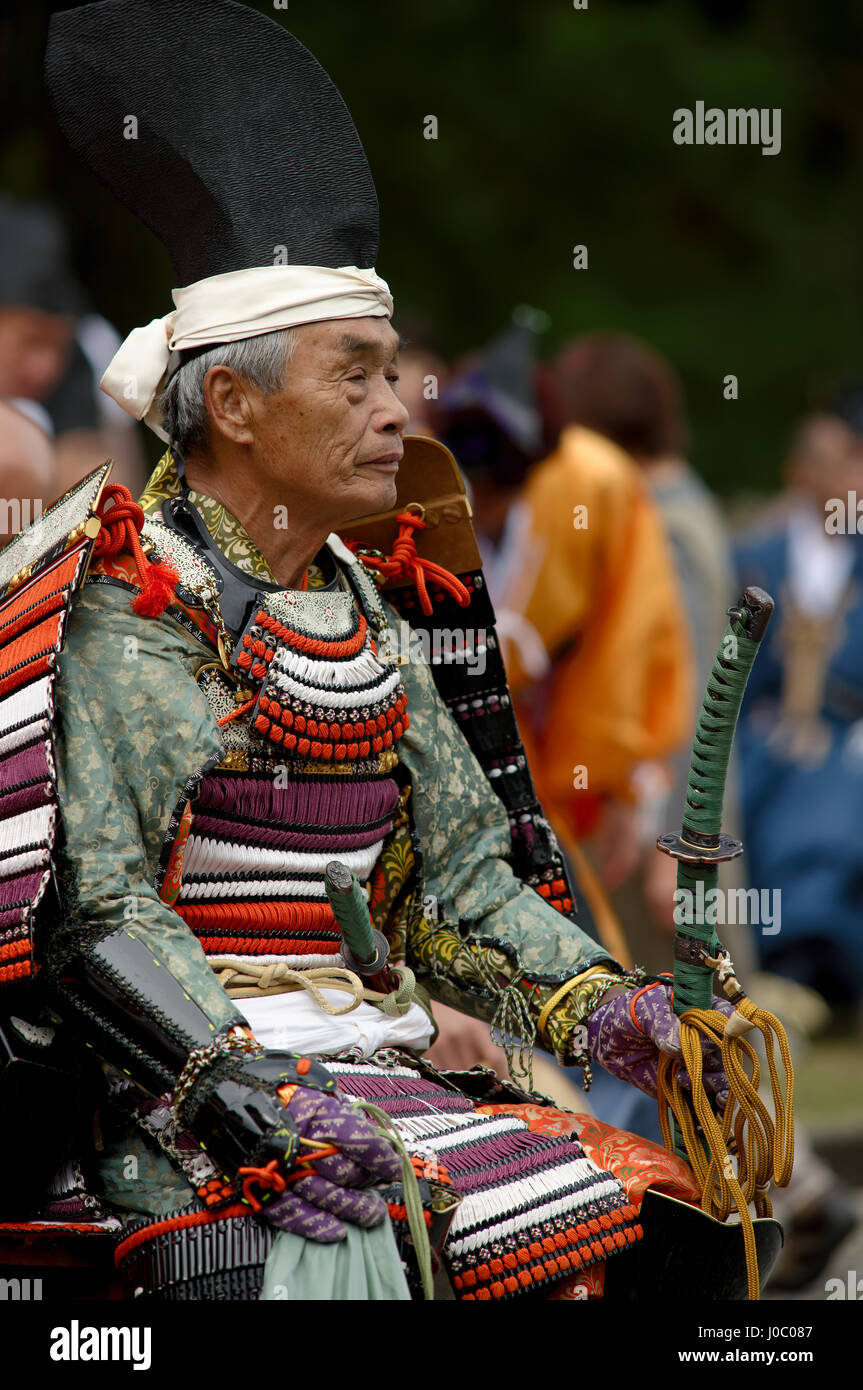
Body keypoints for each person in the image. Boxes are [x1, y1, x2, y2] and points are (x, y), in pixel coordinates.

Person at [0, 0, 739, 1301]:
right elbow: (94, 908)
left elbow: (460, 880)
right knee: (356, 1243)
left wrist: (620, 1010)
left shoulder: (365, 604)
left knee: (672, 1232)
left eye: (395, 372)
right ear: (233, 402)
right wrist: (235, 1083)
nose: (403, 410)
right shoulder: (126, 600)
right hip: (165, 1102)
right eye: (358, 375)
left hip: (368, 1065)